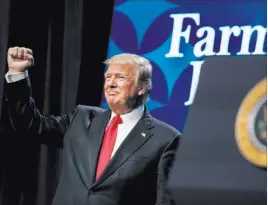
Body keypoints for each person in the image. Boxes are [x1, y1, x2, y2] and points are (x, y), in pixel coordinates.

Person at [4, 46, 181, 205]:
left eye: (120, 78)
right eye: (108, 77)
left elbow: (165, 200)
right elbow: (30, 125)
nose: (110, 84)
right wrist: (17, 74)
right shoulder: (82, 118)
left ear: (141, 87)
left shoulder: (165, 139)